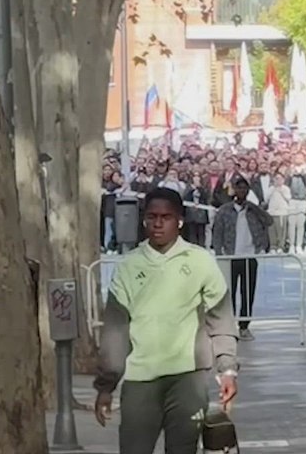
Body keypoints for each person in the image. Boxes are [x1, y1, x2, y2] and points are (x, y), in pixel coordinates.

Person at [93, 188, 240, 454]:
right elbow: (115, 332)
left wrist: (227, 370)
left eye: (166, 217)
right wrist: (106, 386)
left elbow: (221, 319)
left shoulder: (200, 262)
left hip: (188, 379)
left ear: (180, 221)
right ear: (144, 220)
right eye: (151, 217)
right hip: (140, 380)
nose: (158, 223)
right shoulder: (128, 266)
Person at [211, 177, 273, 342]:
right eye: (239, 189)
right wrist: (219, 253)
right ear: (233, 190)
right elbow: (217, 232)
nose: (242, 192)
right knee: (229, 293)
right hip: (231, 256)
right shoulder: (224, 210)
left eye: (245, 189)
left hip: (249, 256)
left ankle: (244, 326)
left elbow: (269, 221)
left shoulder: (253, 210)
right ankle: (229, 326)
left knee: (248, 293)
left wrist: (254, 207)